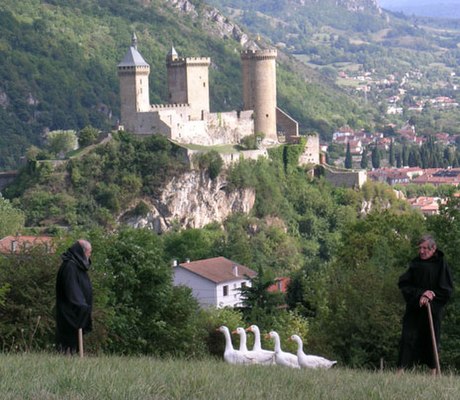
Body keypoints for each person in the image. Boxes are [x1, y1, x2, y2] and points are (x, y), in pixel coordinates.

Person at [397, 234, 454, 375]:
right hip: (415, 309)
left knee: (432, 339)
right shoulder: (415, 263)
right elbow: (404, 284)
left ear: (433, 248)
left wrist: (431, 295)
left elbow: (446, 289)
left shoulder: (441, 265)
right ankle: (400, 372)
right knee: (407, 338)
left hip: (432, 310)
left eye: (424, 248)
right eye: (420, 248)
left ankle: (432, 374)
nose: (421, 251)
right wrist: (421, 294)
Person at [55, 239, 93, 354]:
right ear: (83, 251)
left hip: (76, 314)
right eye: (89, 252)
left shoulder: (77, 265)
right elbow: (72, 290)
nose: (89, 255)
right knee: (68, 347)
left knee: (75, 347)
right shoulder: (69, 267)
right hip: (70, 314)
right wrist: (81, 305)